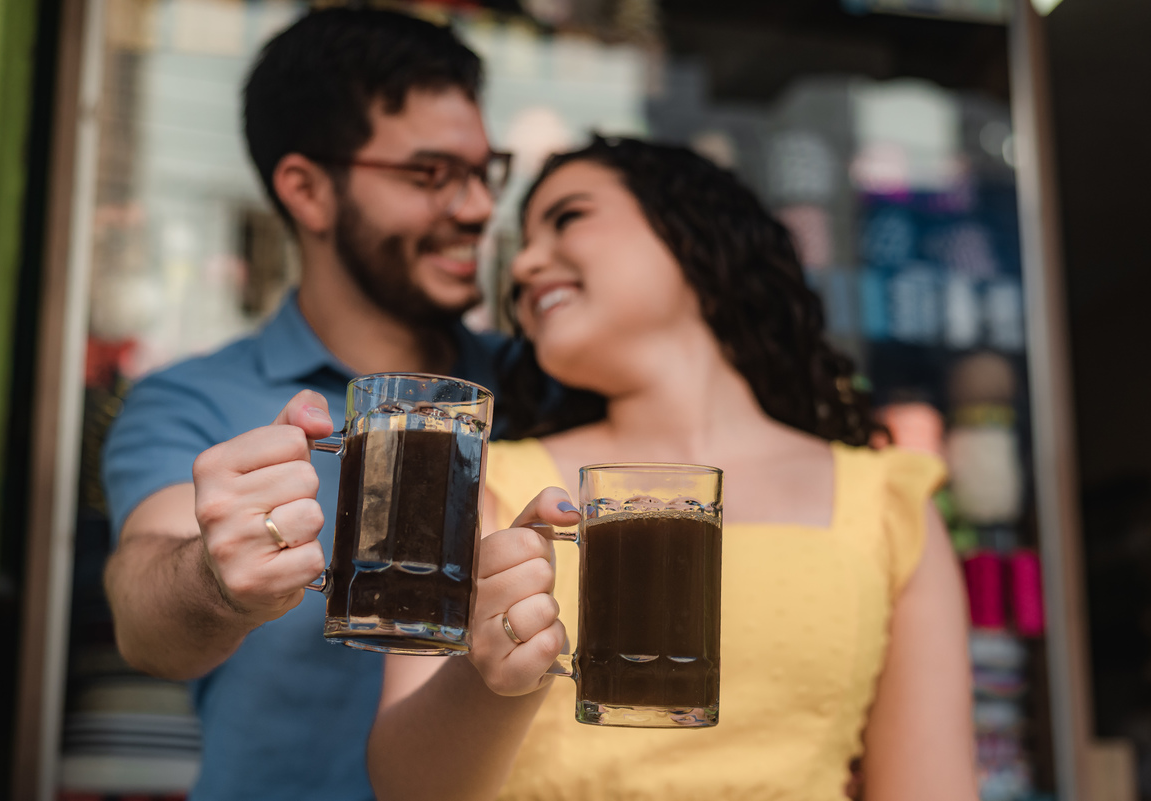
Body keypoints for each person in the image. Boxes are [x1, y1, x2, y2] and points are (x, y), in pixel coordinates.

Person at [375, 136, 980, 801]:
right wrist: (484, 679)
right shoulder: (476, 479)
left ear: (695, 235)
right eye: (522, 242)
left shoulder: (889, 501)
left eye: (568, 217)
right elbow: (406, 787)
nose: (524, 264)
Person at [101, 8, 526, 800]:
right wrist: (215, 578)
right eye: (430, 174)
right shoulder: (192, 397)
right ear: (307, 190)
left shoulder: (541, 387)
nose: (475, 209)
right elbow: (143, 616)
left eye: (484, 170)